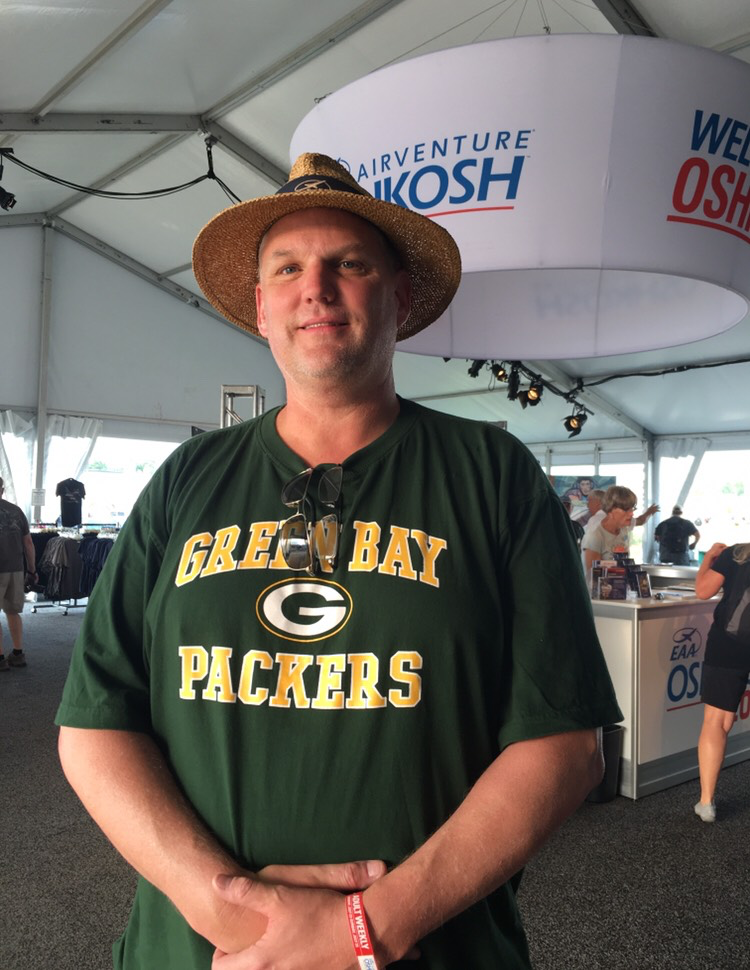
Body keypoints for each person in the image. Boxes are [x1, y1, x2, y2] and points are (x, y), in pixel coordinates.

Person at [55, 153, 622, 970]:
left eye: (350, 265)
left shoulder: (493, 475)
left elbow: (565, 744)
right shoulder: (186, 479)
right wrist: (233, 911)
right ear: (261, 308)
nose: (315, 289)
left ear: (401, 297)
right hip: (195, 950)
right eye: (287, 269)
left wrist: (366, 928)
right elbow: (94, 724)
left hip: (434, 949)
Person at [693, 541, 750, 822]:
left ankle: (706, 803)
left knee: (717, 720)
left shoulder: (737, 554)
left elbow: (703, 591)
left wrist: (709, 559)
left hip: (729, 644)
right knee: (721, 721)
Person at [580, 486, 658, 576]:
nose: (631, 513)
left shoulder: (624, 528)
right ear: (610, 509)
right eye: (626, 509)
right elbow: (593, 575)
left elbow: (640, 521)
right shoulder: (594, 536)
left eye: (632, 508)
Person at [0, 476, 36, 671]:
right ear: (2, 490)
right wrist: (32, 570)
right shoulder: (16, 511)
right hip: (15, 568)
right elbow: (28, 543)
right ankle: (18, 653)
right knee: (13, 611)